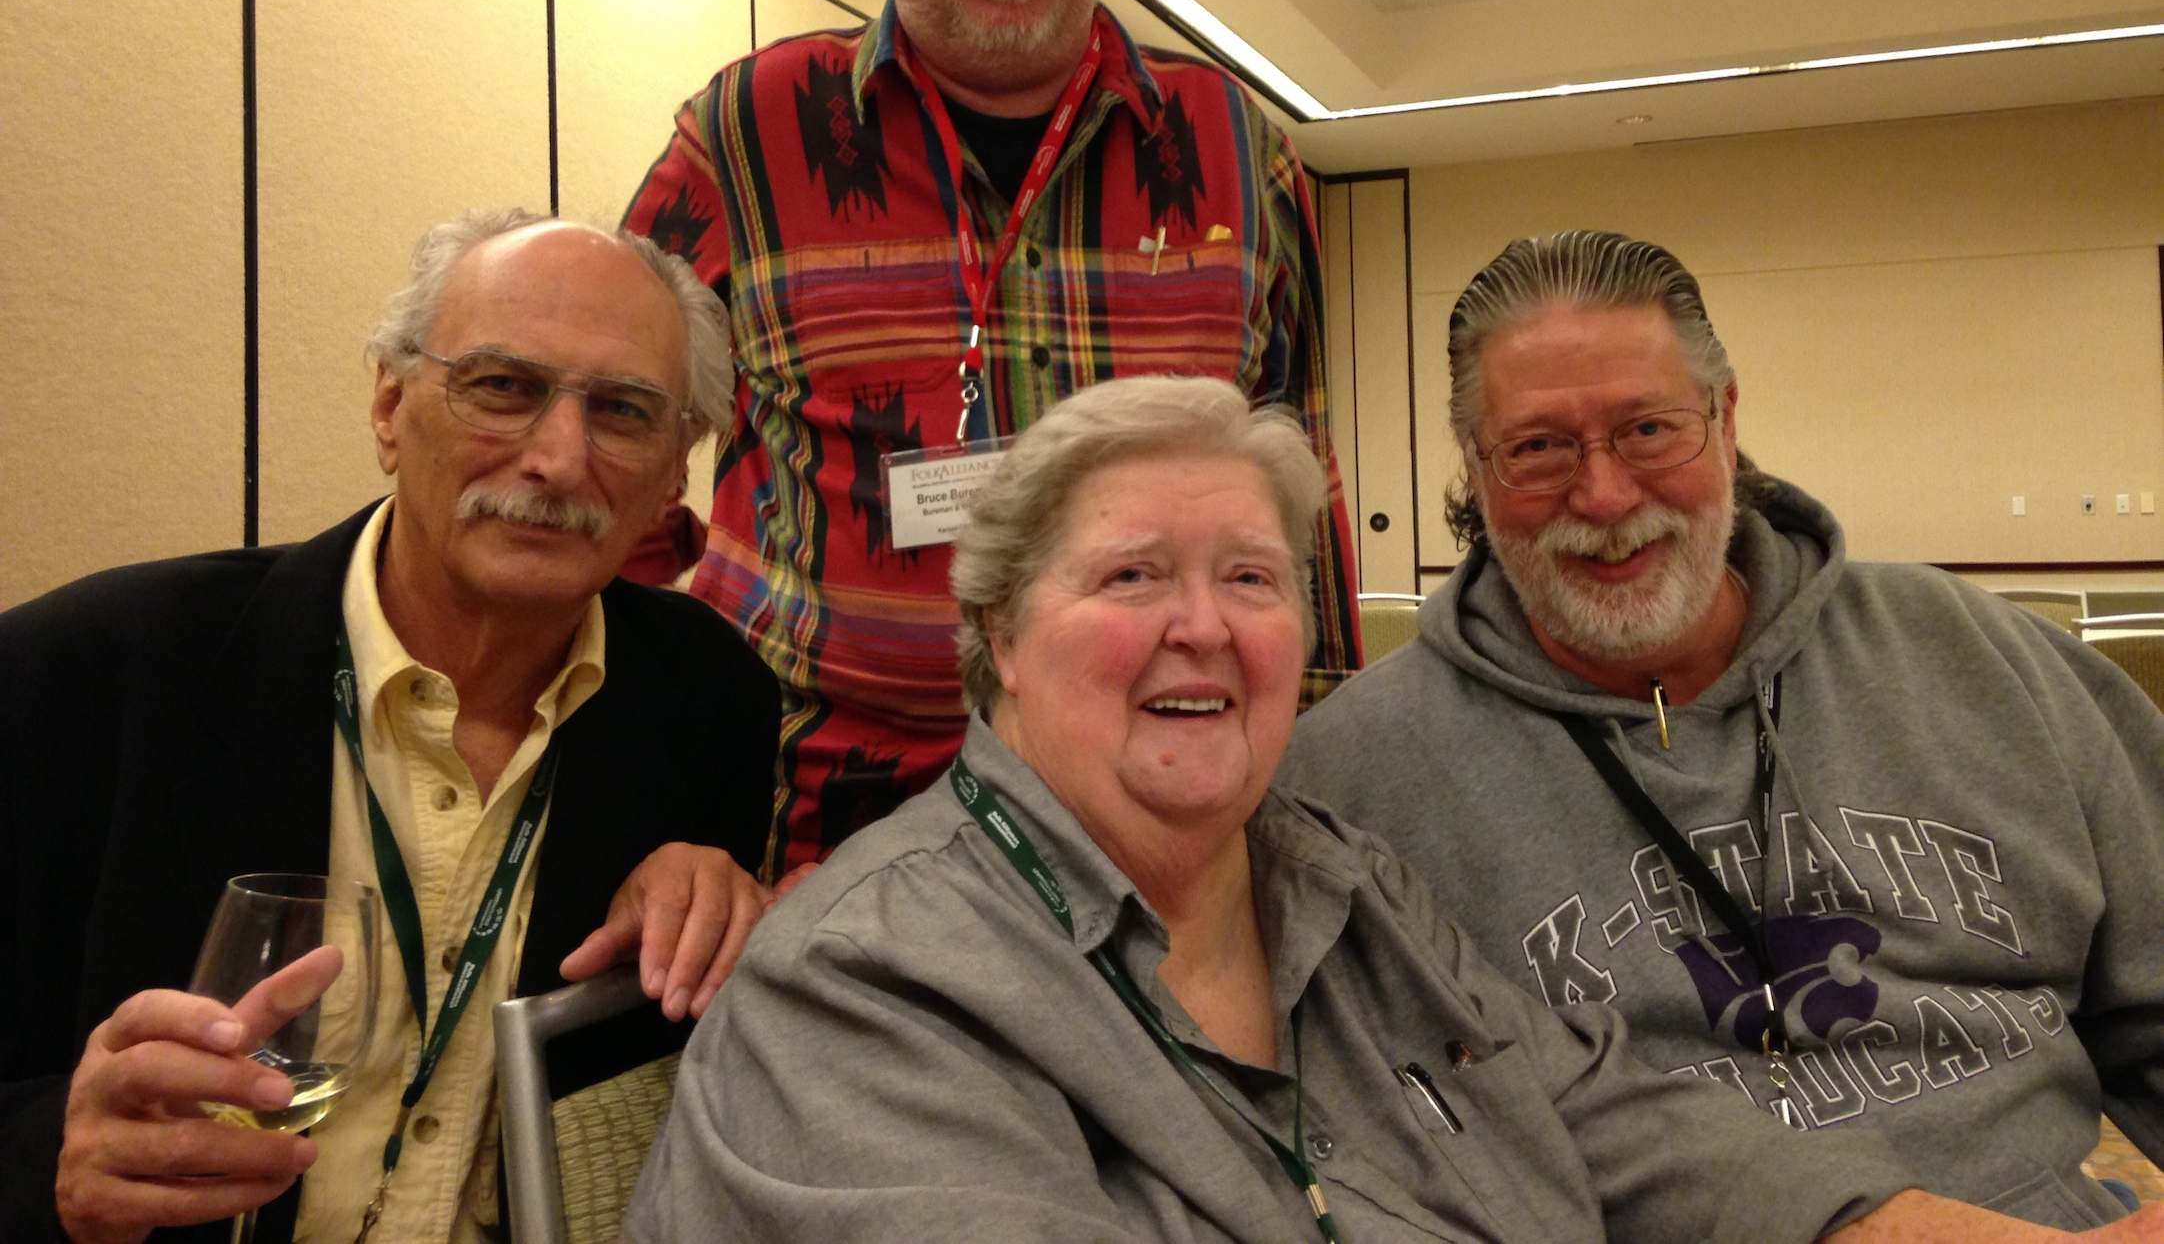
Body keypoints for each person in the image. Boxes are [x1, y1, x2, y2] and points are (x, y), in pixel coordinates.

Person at [622, 373, 2141, 1244]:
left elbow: (1606, 1117)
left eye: (1251, 577)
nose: (1202, 626)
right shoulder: (867, 984)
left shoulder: (1332, 881)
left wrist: (1911, 1230)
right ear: (999, 634)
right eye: (1132, 575)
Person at [1280, 230, 2164, 1228]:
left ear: (1726, 418)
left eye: (1648, 428)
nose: (1604, 496)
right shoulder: (1348, 782)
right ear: (1477, 470)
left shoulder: (1985, 659)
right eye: (1537, 448)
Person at [620, 0, 1359, 876]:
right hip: (811, 831)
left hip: (1142, 823)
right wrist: (637, 736)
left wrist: (1314, 792)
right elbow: (611, 434)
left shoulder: (1231, 146)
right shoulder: (752, 132)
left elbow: (1299, 493)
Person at [0, 212, 784, 1244]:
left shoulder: (708, 701)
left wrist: (720, 905)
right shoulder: (85, 678)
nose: (558, 458)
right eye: (502, 387)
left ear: (674, 472)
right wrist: (50, 1162)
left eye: (623, 411)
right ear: (388, 407)